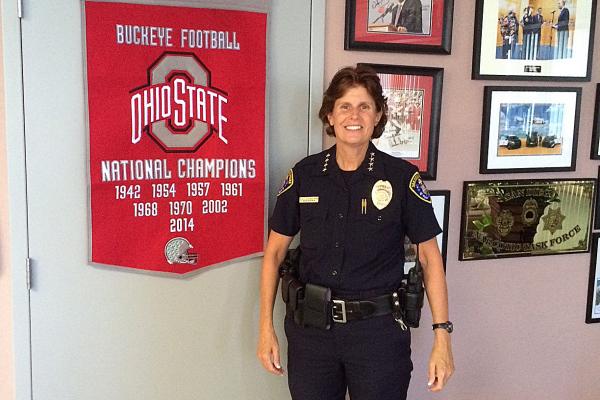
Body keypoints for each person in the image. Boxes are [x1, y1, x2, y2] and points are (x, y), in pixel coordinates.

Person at [257, 65, 454, 400]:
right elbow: (274, 254)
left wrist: (442, 336)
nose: (354, 115)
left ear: (377, 116)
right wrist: (265, 328)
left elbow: (430, 258)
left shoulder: (402, 179)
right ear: (330, 116)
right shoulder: (304, 175)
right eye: (344, 106)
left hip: (377, 334)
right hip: (312, 334)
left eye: (364, 106)